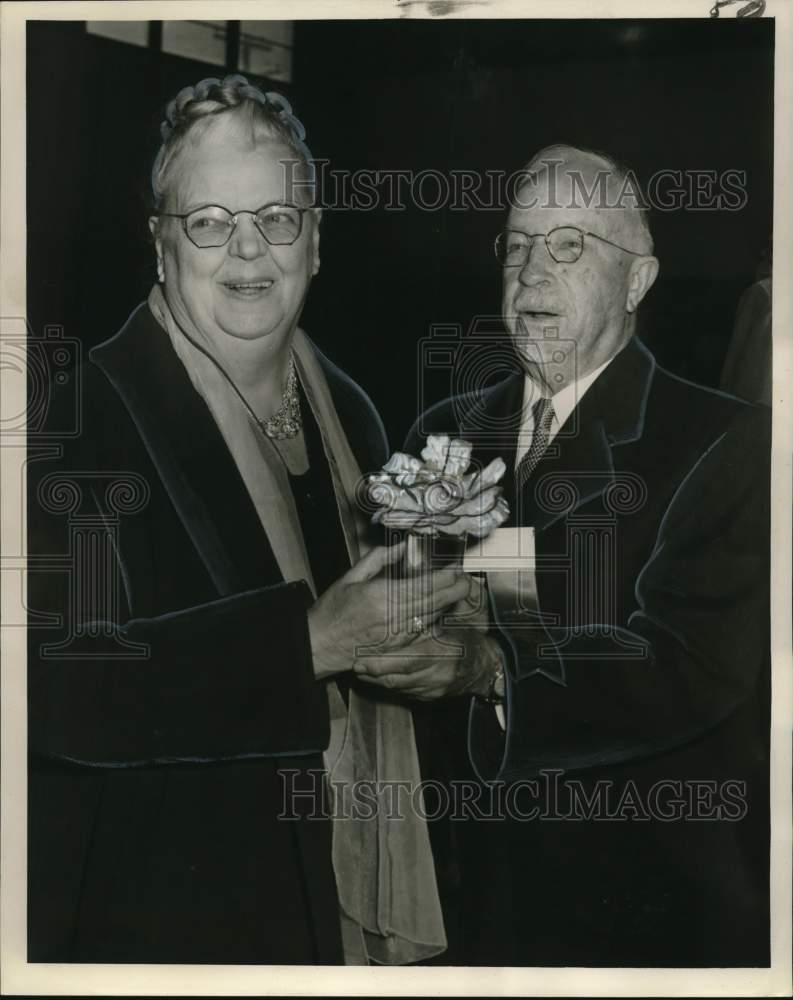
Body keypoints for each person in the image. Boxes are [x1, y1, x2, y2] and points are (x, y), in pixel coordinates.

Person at [26, 74, 474, 965]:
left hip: (331, 890)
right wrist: (304, 644)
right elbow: (50, 693)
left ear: (314, 241)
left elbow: (377, 645)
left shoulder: (350, 411)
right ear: (160, 245)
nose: (247, 249)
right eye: (208, 221)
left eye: (276, 218)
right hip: (173, 910)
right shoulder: (81, 422)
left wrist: (438, 650)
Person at [357, 145, 771, 966]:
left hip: (631, 899)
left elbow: (687, 670)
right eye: (516, 246)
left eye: (569, 246)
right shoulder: (441, 431)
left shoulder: (725, 444)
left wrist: (490, 667)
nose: (531, 274)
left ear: (637, 281)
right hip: (451, 887)